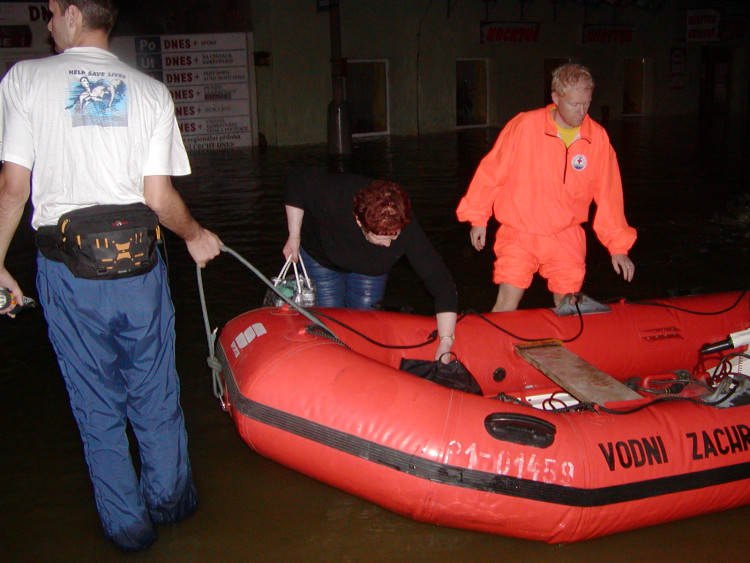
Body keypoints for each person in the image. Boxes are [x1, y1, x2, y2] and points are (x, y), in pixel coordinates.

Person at [0, 0, 222, 551]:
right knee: (156, 394)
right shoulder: (151, 92)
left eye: (50, 13)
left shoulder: (24, 79)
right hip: (140, 266)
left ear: (73, 14)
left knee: (97, 406)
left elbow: (13, 189)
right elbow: (159, 198)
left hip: (68, 273)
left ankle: (129, 532)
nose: (47, 25)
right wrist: (194, 236)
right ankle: (174, 509)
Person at [456, 63, 637, 312]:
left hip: (566, 234)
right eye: (574, 104)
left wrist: (618, 247)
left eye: (587, 103)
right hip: (520, 230)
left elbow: (609, 194)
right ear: (555, 97)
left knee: (567, 304)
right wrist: (478, 217)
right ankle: (494, 345)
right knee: (508, 300)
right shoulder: (524, 126)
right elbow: (492, 171)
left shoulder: (597, 138)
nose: (582, 111)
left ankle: (570, 346)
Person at [283, 167, 458, 361]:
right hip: (322, 254)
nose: (389, 245)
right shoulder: (334, 194)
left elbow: (441, 283)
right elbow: (296, 179)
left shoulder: (406, 227)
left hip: (369, 269)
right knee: (330, 323)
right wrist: (294, 235)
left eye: (394, 236)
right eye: (380, 238)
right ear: (359, 221)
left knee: (365, 327)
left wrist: (446, 341)